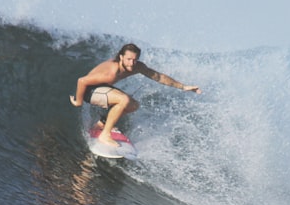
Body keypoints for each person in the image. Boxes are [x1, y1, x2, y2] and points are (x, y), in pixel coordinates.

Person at [69, 43, 201, 147]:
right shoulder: (112, 71)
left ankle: (102, 124)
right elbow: (82, 80)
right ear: (121, 57)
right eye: (128, 59)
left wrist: (183, 86)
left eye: (135, 59)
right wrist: (78, 101)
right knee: (123, 100)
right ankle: (105, 135)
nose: (132, 63)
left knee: (133, 105)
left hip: (102, 88)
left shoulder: (137, 66)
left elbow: (159, 77)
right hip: (89, 91)